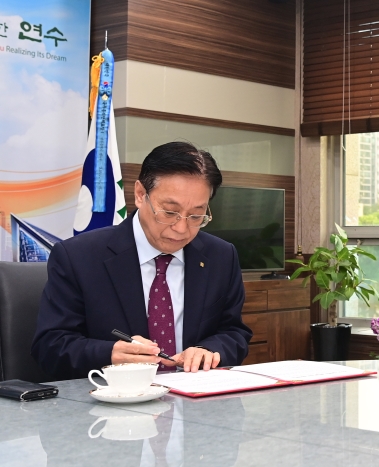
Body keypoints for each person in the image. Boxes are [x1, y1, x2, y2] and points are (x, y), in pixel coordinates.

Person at [33, 142, 252, 380]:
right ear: (140, 194)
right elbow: (50, 346)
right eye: (169, 212)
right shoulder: (78, 257)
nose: (181, 228)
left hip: (194, 400)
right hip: (111, 404)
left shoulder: (221, 256)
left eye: (196, 215)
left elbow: (233, 332)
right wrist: (110, 354)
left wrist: (209, 350)